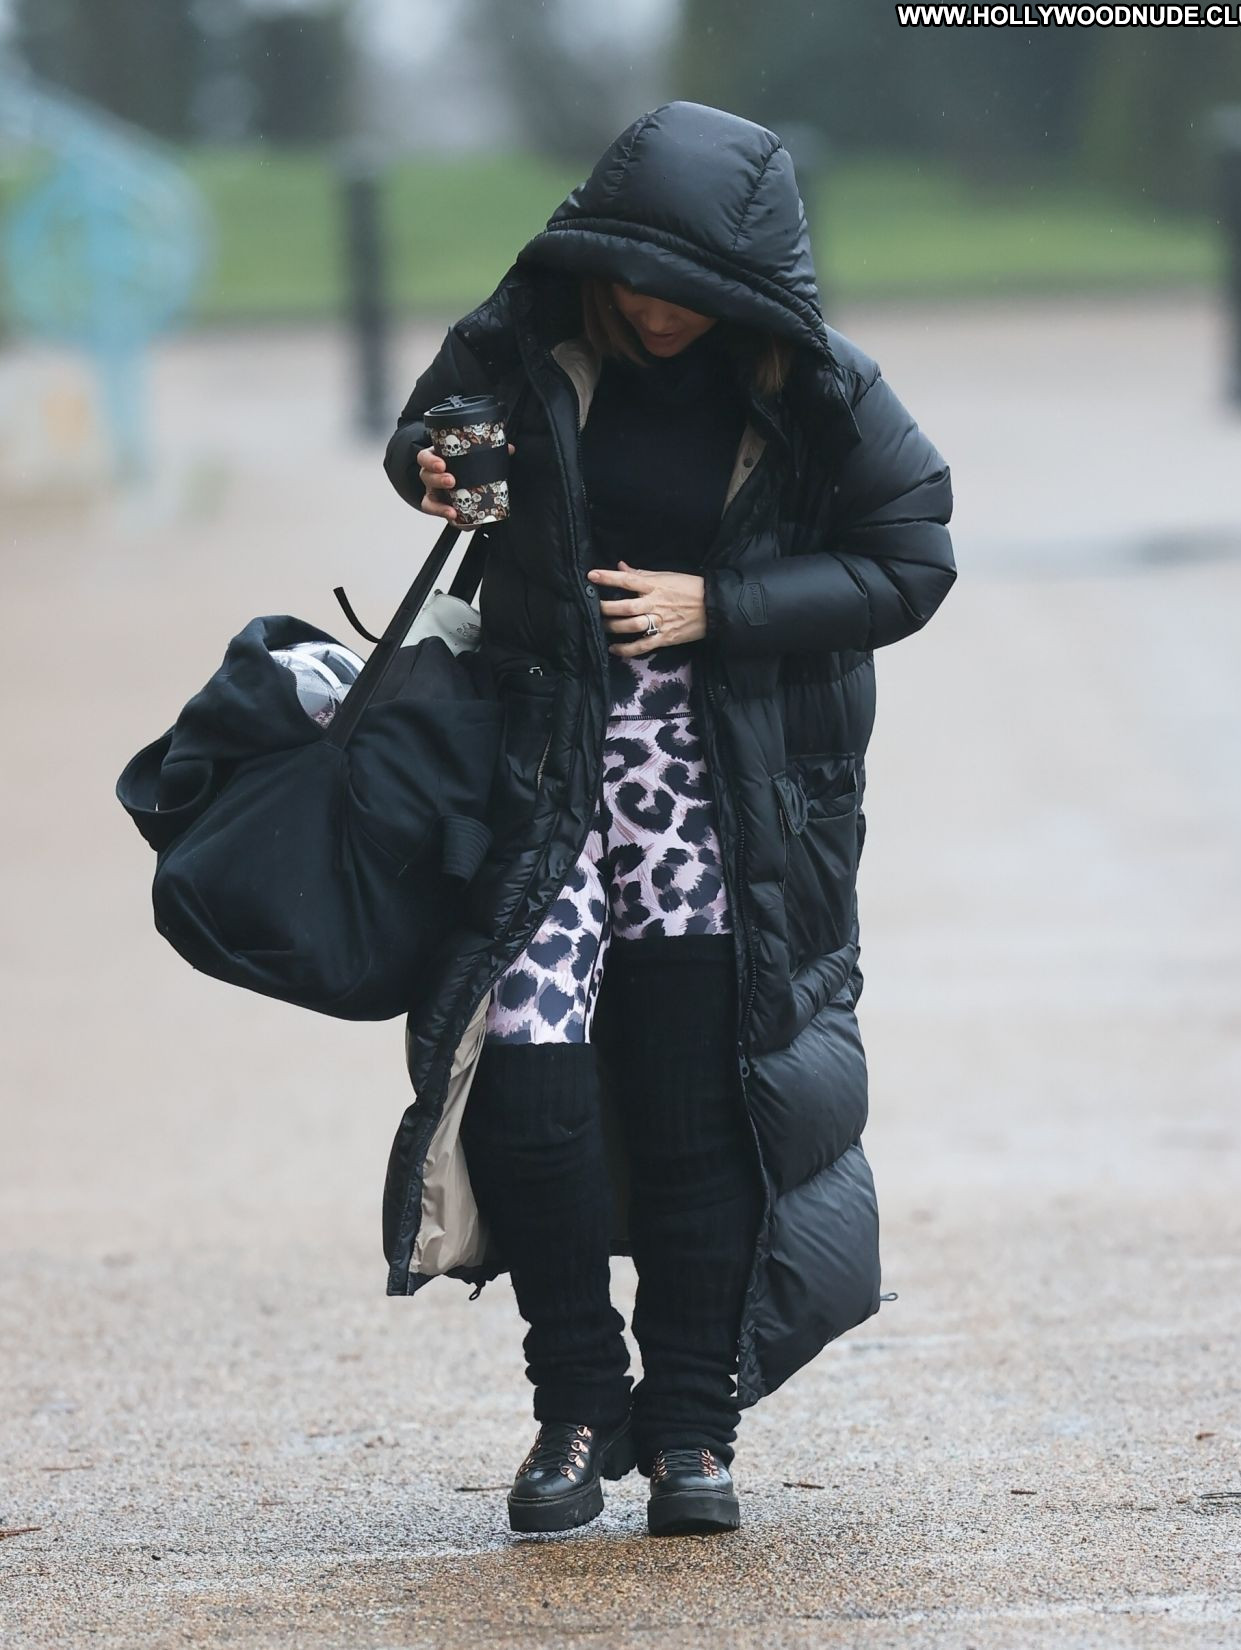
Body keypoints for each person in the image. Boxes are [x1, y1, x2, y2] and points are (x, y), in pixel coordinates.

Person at [381, 101, 957, 1539]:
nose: (649, 309)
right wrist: (435, 470)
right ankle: (577, 1403)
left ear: (746, 290)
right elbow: (427, 444)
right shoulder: (525, 335)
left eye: (685, 290)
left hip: (725, 786)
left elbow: (912, 559)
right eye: (631, 278)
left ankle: (695, 1427)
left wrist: (722, 606)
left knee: (699, 1106)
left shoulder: (823, 389)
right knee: (528, 1081)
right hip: (544, 768)